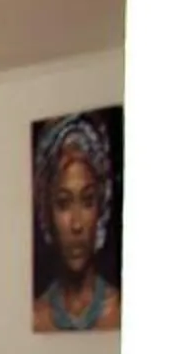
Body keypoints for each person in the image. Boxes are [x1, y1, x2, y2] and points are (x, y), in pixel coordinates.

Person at [32, 113, 120, 332]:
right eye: (63, 203)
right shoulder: (36, 317)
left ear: (102, 206)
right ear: (47, 211)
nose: (76, 224)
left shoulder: (121, 311)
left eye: (87, 201)